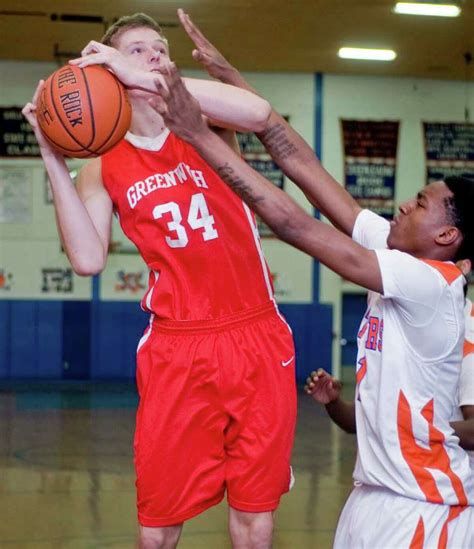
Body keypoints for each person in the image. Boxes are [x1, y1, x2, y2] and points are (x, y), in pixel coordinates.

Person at [154, 12, 474, 548]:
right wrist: (238, 87)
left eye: (420, 204)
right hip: (374, 497)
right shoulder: (395, 252)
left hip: (426, 509)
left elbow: (292, 223)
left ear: (447, 238)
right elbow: (303, 165)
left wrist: (198, 136)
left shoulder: (432, 284)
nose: (403, 205)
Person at [22, 13, 297, 549]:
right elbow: (86, 259)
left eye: (158, 48)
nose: (153, 56)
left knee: (255, 519)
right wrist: (54, 158)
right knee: (157, 529)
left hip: (256, 334)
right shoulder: (103, 164)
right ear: (107, 67)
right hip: (178, 347)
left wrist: (136, 70)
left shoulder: (205, 122)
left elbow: (259, 112)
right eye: (136, 49)